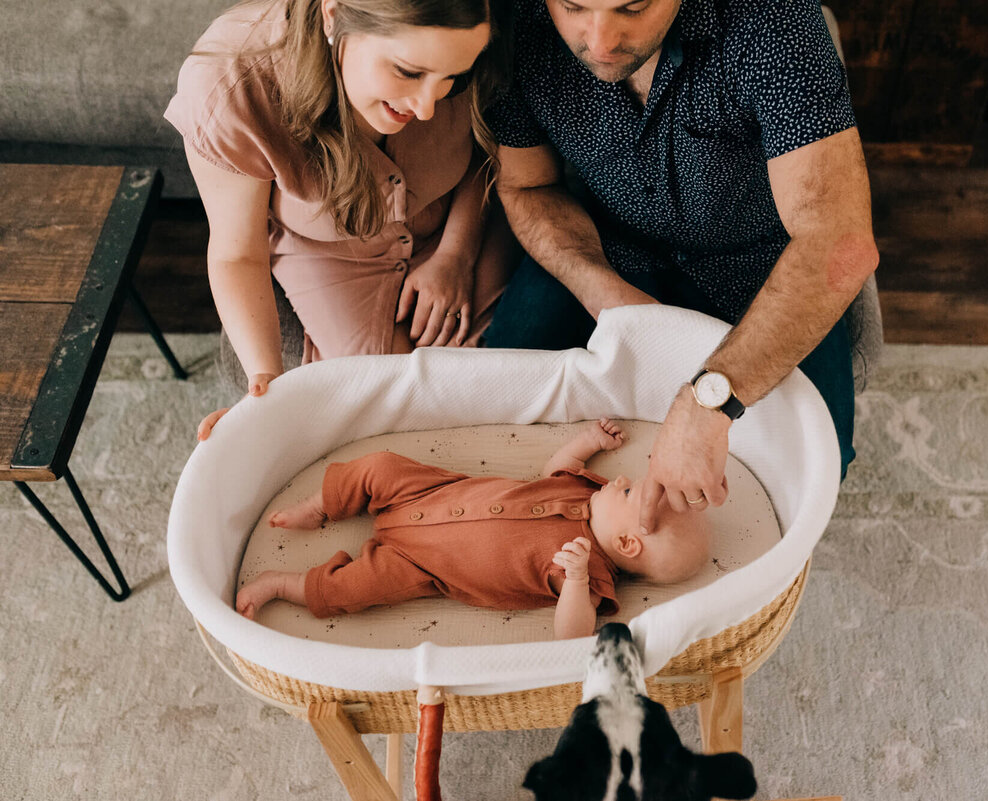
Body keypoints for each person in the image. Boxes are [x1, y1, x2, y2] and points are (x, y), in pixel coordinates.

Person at [481, 0, 880, 533]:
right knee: (495, 429)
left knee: (812, 468)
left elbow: (839, 242)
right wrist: (608, 296)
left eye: (633, 7)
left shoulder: (773, 19)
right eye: (574, 6)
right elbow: (528, 184)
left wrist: (708, 403)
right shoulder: (512, 23)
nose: (599, 42)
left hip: (765, 264)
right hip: (603, 248)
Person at [164, 0, 519, 442]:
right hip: (330, 255)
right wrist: (268, 384)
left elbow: (488, 153)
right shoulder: (231, 86)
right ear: (333, 16)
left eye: (452, 78)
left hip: (459, 223)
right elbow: (237, 253)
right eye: (408, 72)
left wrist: (457, 253)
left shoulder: (481, 27)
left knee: (492, 394)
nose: (427, 108)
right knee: (387, 418)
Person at [235, 418, 712, 639]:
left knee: (355, 588)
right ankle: (321, 506)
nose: (623, 480)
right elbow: (556, 467)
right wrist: (585, 441)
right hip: (429, 494)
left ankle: (283, 585)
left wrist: (579, 580)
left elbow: (572, 636)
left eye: (628, 494)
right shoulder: (581, 491)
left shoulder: (587, 574)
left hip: (420, 565)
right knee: (380, 465)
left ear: (627, 543)